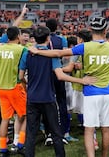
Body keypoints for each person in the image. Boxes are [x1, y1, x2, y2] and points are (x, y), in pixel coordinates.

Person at [28, 17, 109, 157]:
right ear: (105, 30)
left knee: (89, 129)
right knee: (106, 129)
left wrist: (38, 51)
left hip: (91, 92)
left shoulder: (86, 46)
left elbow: (59, 53)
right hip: (108, 92)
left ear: (90, 29)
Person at [19, 26, 96, 157]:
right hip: (48, 98)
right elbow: (60, 76)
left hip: (32, 98)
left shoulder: (27, 54)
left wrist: (28, 86)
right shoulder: (51, 55)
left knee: (31, 133)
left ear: (34, 39)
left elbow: (21, 77)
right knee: (56, 133)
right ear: (48, 38)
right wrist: (82, 81)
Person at [0, 26, 27, 157]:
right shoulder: (22, 49)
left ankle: (3, 149)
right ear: (18, 36)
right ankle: (20, 145)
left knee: (5, 119)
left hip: (1, 88)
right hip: (14, 86)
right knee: (24, 116)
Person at [44, 18, 69, 146]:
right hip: (58, 71)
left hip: (45, 74)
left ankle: (48, 132)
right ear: (56, 27)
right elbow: (65, 56)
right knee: (61, 101)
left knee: (48, 102)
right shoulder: (62, 39)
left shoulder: (42, 39)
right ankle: (63, 132)